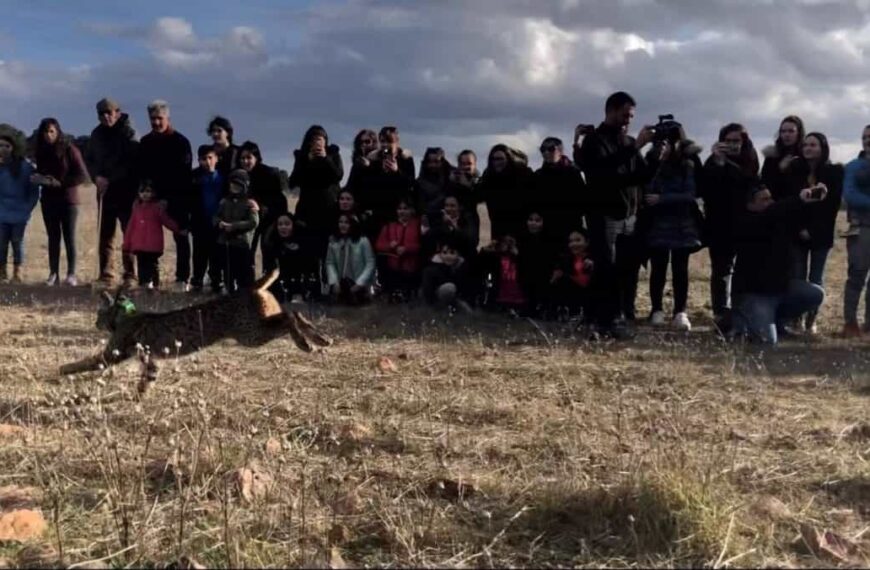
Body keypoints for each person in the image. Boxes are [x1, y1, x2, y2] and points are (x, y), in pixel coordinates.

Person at [578, 92, 655, 336]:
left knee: (624, 270)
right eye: (624, 115)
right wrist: (636, 147)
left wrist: (656, 155)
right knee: (605, 268)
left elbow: (640, 176)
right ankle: (604, 320)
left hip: (628, 216)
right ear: (610, 111)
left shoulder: (628, 143)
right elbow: (603, 175)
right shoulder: (594, 141)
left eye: (631, 116)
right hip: (605, 215)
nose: (627, 121)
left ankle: (613, 316)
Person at [732, 186, 827, 344]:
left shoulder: (777, 220)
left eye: (770, 198)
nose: (770, 202)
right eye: (764, 199)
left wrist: (810, 200)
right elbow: (771, 215)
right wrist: (799, 199)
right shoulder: (746, 223)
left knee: (815, 294)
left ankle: (777, 320)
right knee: (767, 341)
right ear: (750, 205)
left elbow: (786, 216)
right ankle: (739, 321)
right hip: (756, 294)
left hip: (780, 290)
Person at [782, 132, 843, 333]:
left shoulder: (833, 172)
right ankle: (795, 319)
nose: (808, 148)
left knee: (816, 277)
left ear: (822, 148)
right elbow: (792, 201)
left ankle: (811, 321)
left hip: (821, 233)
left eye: (813, 145)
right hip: (796, 232)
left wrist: (813, 229)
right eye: (806, 144)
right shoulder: (795, 170)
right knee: (797, 277)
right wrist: (800, 228)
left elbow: (831, 207)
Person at [642, 135, 704, 331]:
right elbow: (645, 189)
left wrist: (662, 198)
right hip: (658, 222)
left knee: (680, 269)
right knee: (658, 268)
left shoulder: (687, 164)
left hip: (681, 223)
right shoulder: (653, 164)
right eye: (660, 143)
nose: (663, 147)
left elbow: (690, 194)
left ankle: (680, 311)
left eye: (667, 143)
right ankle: (656, 310)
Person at [701, 123, 760, 324]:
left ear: (744, 142)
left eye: (736, 141)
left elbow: (750, 183)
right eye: (728, 141)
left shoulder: (751, 159)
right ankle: (721, 312)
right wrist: (717, 162)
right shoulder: (713, 161)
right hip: (719, 224)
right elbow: (704, 189)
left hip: (745, 222)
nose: (732, 145)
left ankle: (741, 309)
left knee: (744, 269)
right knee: (721, 271)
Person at [138, 100, 193, 292]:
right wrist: (148, 195)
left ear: (167, 118)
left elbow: (183, 174)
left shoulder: (181, 142)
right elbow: (143, 171)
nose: (156, 122)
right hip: (151, 199)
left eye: (159, 118)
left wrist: (167, 198)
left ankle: (182, 279)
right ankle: (149, 280)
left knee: (181, 238)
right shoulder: (145, 142)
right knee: (146, 240)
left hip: (177, 199)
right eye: (152, 119)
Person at [85, 98, 139, 287]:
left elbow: (132, 162)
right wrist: (96, 177)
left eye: (109, 112)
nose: (106, 116)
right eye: (101, 113)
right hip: (104, 192)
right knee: (105, 234)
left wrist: (110, 178)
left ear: (117, 112)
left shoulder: (129, 132)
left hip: (126, 191)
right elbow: (89, 159)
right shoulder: (96, 134)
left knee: (129, 234)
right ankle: (106, 273)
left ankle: (130, 275)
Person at [32, 118, 91, 287]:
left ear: (58, 132)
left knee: (69, 237)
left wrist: (60, 183)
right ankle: (53, 274)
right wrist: (39, 178)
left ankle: (71, 274)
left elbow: (82, 175)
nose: (48, 135)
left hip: (68, 200)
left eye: (51, 131)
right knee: (53, 237)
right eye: (45, 132)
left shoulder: (70, 149)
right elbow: (42, 172)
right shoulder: (41, 151)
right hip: (49, 200)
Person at [288, 125, 344, 254]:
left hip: (329, 209)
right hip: (308, 209)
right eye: (314, 140)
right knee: (309, 249)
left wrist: (326, 159)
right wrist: (308, 161)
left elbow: (338, 175)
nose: (317, 143)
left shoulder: (333, 153)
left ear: (325, 141)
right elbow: (293, 182)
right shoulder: (302, 156)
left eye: (320, 139)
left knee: (328, 250)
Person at [122, 180, 185, 290]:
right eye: (142, 192)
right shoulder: (136, 209)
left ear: (153, 193)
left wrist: (179, 229)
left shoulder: (157, 208)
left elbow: (167, 221)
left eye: (148, 191)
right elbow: (130, 227)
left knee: (153, 265)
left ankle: (155, 283)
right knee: (141, 265)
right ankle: (143, 283)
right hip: (139, 245)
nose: (145, 194)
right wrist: (127, 244)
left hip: (153, 245)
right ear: (138, 193)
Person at [355, 126, 416, 240]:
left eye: (389, 141)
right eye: (382, 141)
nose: (385, 145)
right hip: (378, 212)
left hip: (397, 212)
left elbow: (410, 184)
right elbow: (368, 185)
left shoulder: (405, 159)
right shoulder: (375, 158)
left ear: (396, 142)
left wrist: (396, 171)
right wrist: (373, 168)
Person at [238, 141, 286, 270]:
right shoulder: (239, 176)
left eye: (249, 157)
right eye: (242, 158)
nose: (245, 161)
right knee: (246, 252)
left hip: (269, 219)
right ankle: (247, 282)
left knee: (269, 250)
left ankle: (269, 282)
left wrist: (262, 208)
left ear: (257, 158)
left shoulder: (269, 173)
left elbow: (279, 200)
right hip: (249, 220)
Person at [0, 125, 39, 283]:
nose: (3, 149)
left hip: (19, 213)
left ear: (13, 148)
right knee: (1, 244)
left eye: (6, 146)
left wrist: (26, 209)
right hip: (1, 213)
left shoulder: (25, 167)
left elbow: (34, 191)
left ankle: (18, 272)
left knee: (17, 242)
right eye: (0, 145)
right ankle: (2, 272)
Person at [842, 125, 870, 337]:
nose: (868, 140)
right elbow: (850, 195)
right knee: (857, 276)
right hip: (862, 228)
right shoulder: (853, 166)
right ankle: (850, 323)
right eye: (865, 137)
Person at [530, 137, 586, 242]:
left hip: (570, 226)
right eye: (543, 149)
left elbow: (583, 199)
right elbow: (533, 201)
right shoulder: (538, 175)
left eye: (551, 149)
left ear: (560, 151)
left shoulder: (572, 172)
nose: (546, 152)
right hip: (546, 229)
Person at [214, 169, 259, 294]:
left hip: (242, 243)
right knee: (228, 269)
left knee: (243, 271)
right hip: (225, 243)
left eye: (238, 185)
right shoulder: (224, 201)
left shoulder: (249, 203)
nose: (235, 187)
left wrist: (234, 226)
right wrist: (219, 223)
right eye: (233, 184)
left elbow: (254, 222)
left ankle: (244, 292)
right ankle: (229, 290)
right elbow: (216, 216)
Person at [261, 212, 319, 302]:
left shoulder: (303, 245)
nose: (283, 227)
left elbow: (308, 270)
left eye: (287, 224)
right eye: (280, 224)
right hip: (278, 287)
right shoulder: (272, 245)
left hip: (299, 286)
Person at [480, 144, 533, 241]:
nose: (497, 162)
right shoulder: (489, 178)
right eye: (494, 159)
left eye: (500, 159)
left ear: (508, 159)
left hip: (522, 231)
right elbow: (478, 196)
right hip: (498, 230)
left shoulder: (523, 175)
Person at [190, 145, 224, 293]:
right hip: (200, 222)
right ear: (199, 160)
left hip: (218, 223)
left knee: (216, 254)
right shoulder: (194, 177)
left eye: (210, 157)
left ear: (216, 159)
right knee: (199, 254)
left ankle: (216, 281)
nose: (207, 161)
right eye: (203, 159)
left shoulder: (223, 178)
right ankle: (197, 281)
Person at [375, 198, 422, 302]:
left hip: (411, 270)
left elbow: (423, 245)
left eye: (405, 208)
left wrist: (407, 249)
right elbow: (378, 245)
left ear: (411, 210)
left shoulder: (418, 225)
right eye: (399, 209)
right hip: (392, 269)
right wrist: (390, 246)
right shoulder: (389, 226)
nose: (402, 211)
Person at [324, 213, 376, 305]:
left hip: (359, 283)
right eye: (340, 222)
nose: (343, 225)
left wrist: (360, 283)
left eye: (346, 223)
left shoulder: (363, 241)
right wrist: (334, 281)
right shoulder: (334, 241)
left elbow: (370, 263)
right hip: (340, 283)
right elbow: (330, 262)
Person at [517, 210, 557, 318]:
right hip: (526, 279)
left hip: (544, 278)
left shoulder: (550, 241)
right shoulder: (522, 240)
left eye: (537, 220)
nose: (533, 223)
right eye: (530, 220)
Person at [551, 229, 594, 321]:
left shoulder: (593, 259)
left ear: (587, 242)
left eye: (578, 240)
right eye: (571, 241)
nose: (574, 244)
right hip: (573, 294)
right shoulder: (565, 260)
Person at [421, 236, 473, 313]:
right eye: (444, 253)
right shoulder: (432, 269)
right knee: (449, 288)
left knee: (468, 311)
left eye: (452, 253)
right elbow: (428, 290)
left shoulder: (462, 267)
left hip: (456, 298)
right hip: (436, 297)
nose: (448, 256)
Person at [761, 115, 805, 200]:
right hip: (777, 204)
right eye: (783, 131)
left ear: (799, 133)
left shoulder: (805, 155)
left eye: (791, 131)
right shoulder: (772, 156)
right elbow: (766, 184)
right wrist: (779, 170)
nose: (786, 135)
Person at [479, 234, 525, 312]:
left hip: (514, 288)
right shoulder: (494, 256)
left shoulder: (516, 257)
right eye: (504, 243)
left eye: (509, 243)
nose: (506, 246)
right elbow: (482, 262)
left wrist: (516, 253)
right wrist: (488, 248)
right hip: (498, 289)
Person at [424, 194, 478, 259]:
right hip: (444, 257)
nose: (448, 209)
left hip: (463, 257)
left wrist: (453, 226)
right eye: (446, 205)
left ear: (460, 207)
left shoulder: (467, 219)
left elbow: (471, 241)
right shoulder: (439, 220)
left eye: (452, 206)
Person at [447, 150, 482, 241]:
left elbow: (479, 198)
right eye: (463, 164)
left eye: (469, 164)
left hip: (470, 219)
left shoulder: (479, 181)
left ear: (475, 164)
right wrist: (451, 182)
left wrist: (467, 185)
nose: (466, 167)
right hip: (453, 218)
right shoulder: (453, 179)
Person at [415, 147, 453, 226]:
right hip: (426, 222)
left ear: (442, 162)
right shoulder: (420, 182)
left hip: (446, 221)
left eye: (436, 162)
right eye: (430, 162)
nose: (433, 165)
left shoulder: (450, 178)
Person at [344, 129, 379, 196]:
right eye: (361, 142)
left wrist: (369, 166)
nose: (363, 145)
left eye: (367, 142)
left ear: (374, 143)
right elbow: (351, 185)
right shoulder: (357, 163)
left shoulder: (380, 160)